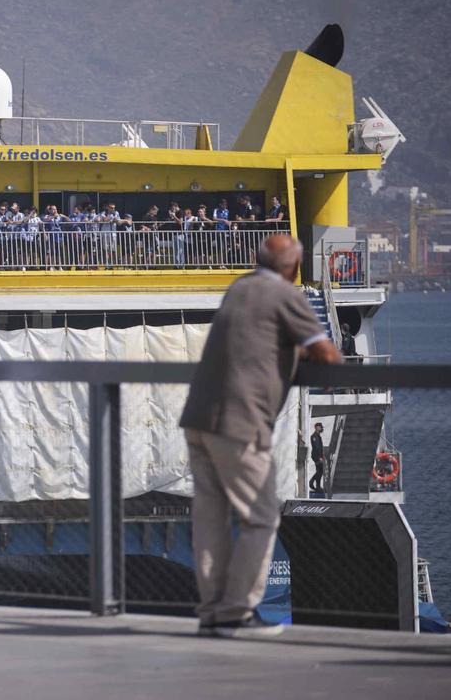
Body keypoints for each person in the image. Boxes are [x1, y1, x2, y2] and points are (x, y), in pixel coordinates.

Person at [179, 234, 341, 637]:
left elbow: (254, 339)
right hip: (240, 422)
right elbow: (327, 354)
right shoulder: (287, 296)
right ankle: (237, 612)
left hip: (199, 416)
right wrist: (302, 352)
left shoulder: (240, 287)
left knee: (210, 518)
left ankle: (213, 611)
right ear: (292, 267)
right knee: (262, 518)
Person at [309, 422, 326, 494]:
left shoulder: (318, 436)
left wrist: (323, 456)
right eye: (320, 427)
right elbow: (316, 448)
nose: (321, 428)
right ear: (316, 427)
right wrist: (319, 457)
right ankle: (311, 481)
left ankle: (318, 487)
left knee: (319, 471)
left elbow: (320, 447)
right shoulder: (314, 436)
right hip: (316, 456)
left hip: (319, 456)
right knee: (320, 471)